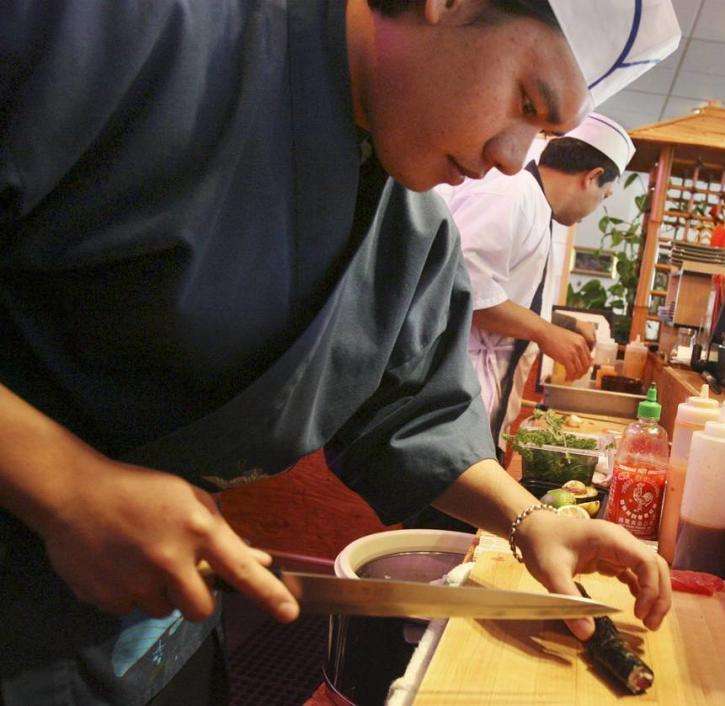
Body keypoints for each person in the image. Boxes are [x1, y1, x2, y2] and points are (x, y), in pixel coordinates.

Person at [0, 0, 681, 703]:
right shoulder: (121, 30)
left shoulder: (410, 227)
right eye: (527, 101)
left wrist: (532, 519)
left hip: (159, 619)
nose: (512, 159)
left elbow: (409, 413)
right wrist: (65, 488)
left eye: (541, 133)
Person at [442, 114, 635, 450]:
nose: (595, 207)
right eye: (604, 196)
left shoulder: (534, 202)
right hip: (454, 391)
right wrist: (545, 332)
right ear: (593, 177)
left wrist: (565, 323)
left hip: (474, 397)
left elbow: (511, 296)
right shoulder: (511, 190)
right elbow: (462, 288)